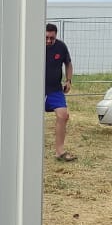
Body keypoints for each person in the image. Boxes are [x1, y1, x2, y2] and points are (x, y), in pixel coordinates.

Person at [45, 23, 75, 161]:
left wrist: (69, 80)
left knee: (63, 115)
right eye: (46, 37)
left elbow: (68, 63)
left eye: (52, 38)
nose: (49, 41)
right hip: (35, 89)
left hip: (55, 90)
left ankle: (59, 151)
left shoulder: (61, 47)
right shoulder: (33, 45)